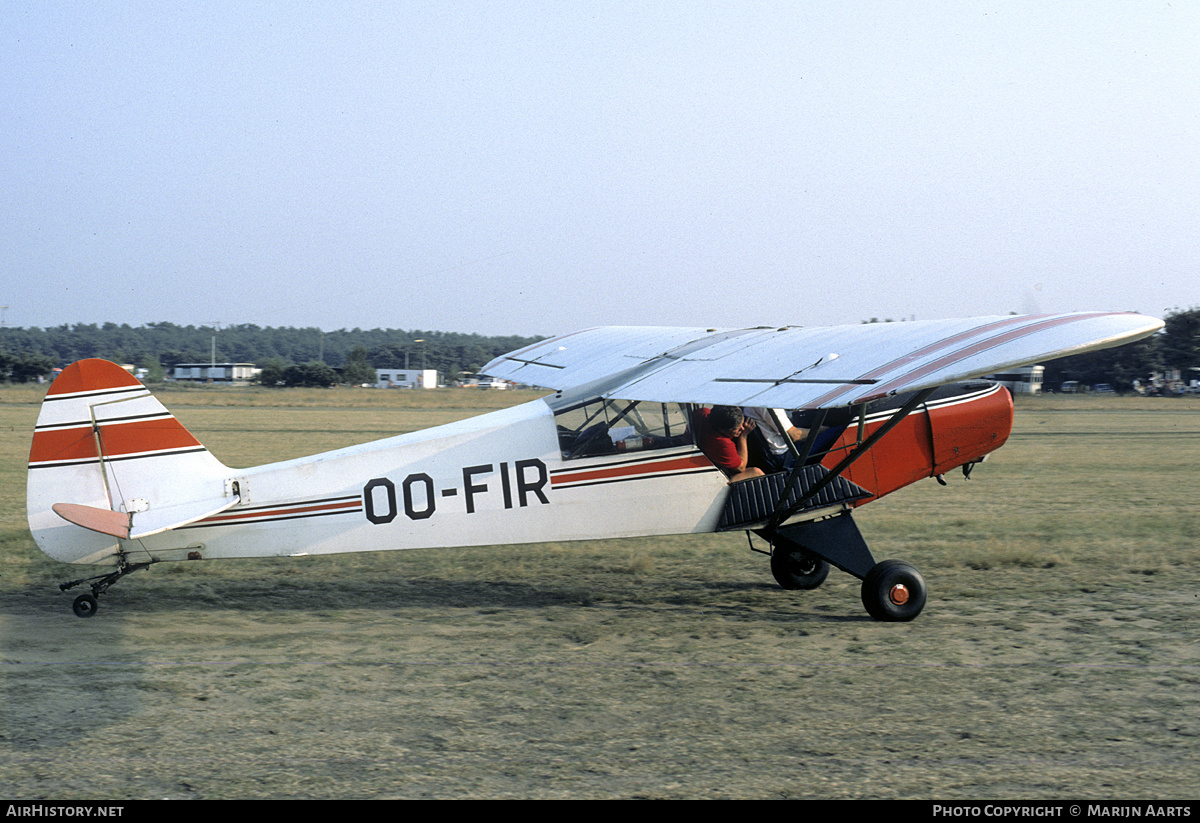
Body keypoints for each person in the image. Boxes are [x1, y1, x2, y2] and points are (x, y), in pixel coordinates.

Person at [694, 405, 765, 483]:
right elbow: (740, 468)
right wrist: (743, 436)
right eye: (737, 428)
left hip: (701, 455)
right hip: (711, 477)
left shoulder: (702, 413)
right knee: (756, 472)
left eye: (742, 423)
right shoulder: (723, 445)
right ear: (722, 430)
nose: (743, 428)